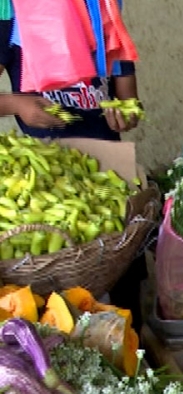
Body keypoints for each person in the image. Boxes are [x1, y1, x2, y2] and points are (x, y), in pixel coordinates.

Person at [0, 16, 147, 330]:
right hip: (46, 168)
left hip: (105, 170)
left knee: (122, 284)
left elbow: (130, 102)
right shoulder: (13, 25)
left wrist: (124, 115)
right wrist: (18, 105)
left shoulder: (103, 19)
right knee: (54, 309)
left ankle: (132, 351)